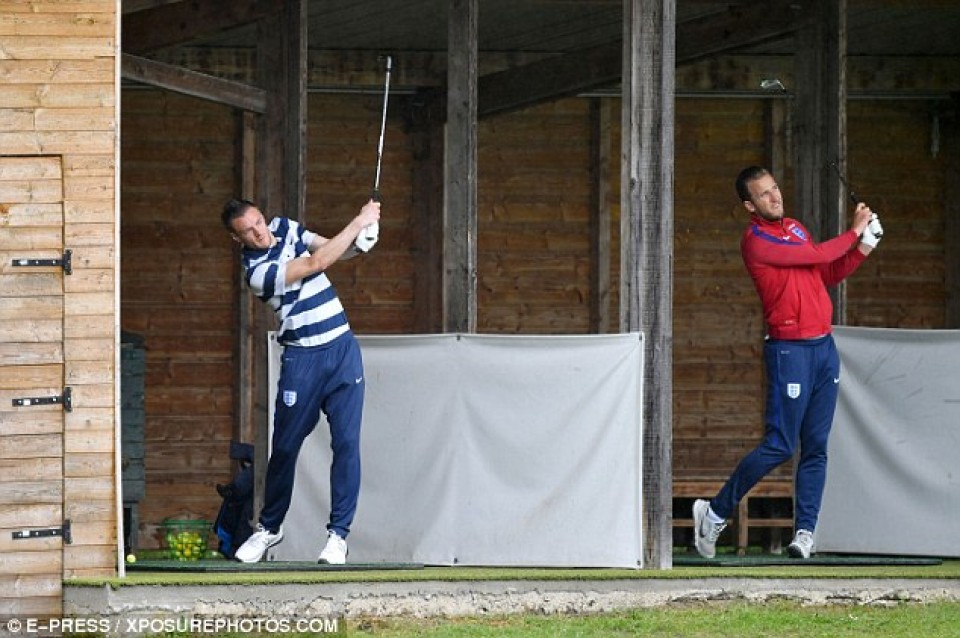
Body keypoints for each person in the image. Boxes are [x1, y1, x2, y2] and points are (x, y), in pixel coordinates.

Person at [693, 166, 883, 560]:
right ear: (750, 205)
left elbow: (826, 272)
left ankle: (804, 534)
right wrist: (854, 230)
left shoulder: (795, 228)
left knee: (816, 446)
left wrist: (864, 247)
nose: (774, 197)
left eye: (775, 188)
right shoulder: (756, 240)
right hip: (789, 351)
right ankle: (714, 513)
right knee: (780, 445)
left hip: (823, 349)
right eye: (763, 194)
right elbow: (818, 254)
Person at [221, 197, 381, 564]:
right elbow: (316, 263)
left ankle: (337, 536)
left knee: (346, 444)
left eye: (258, 222)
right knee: (287, 447)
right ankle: (269, 528)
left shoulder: (284, 227)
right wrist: (359, 220)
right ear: (238, 239)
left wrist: (361, 242)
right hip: (302, 360)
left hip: (342, 350)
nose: (259, 232)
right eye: (248, 231)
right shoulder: (257, 272)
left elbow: (329, 249)